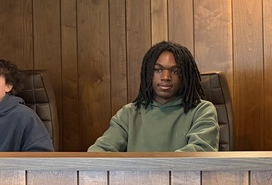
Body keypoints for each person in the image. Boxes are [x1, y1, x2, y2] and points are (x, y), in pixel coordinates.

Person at [88, 41, 218, 152]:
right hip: (133, 181)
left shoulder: (201, 111)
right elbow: (99, 152)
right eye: (158, 70)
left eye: (175, 71)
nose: (166, 77)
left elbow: (201, 152)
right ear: (148, 73)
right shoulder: (129, 113)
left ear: (185, 76)